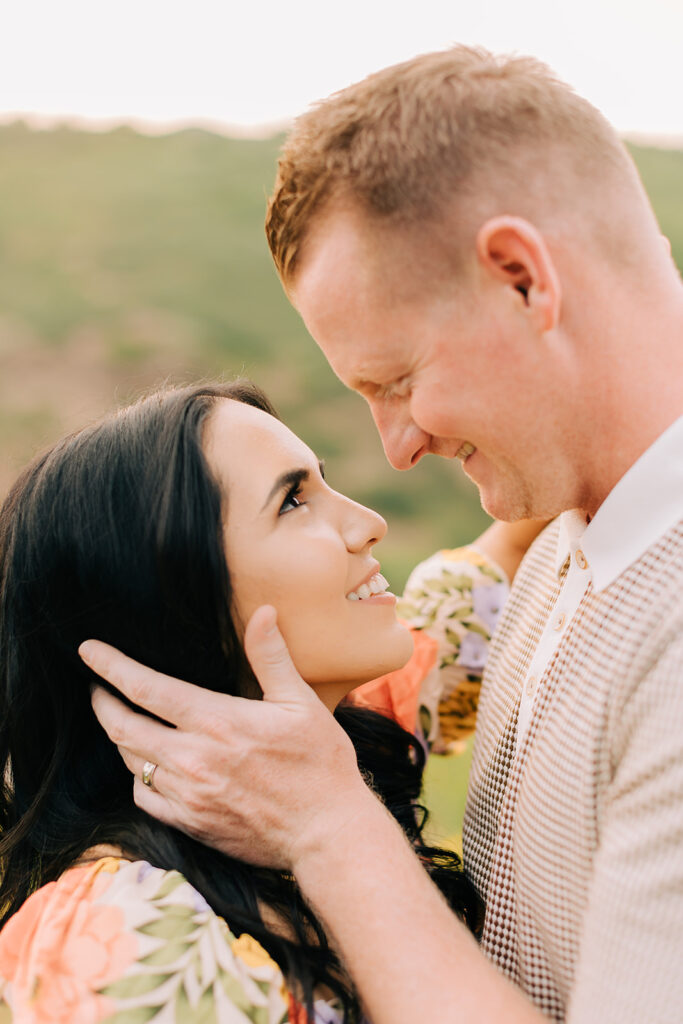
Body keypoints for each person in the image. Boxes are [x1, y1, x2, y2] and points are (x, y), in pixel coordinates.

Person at [84, 47, 683, 1024]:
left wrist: (329, 831)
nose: (396, 450)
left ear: (521, 279)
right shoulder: (559, 562)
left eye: (396, 381)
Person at [0, 379, 540, 1022]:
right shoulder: (119, 943)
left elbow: (508, 549)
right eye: (292, 501)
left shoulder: (333, 748)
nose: (369, 524)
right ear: (170, 607)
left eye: (322, 482)